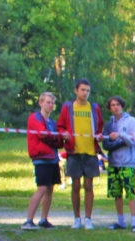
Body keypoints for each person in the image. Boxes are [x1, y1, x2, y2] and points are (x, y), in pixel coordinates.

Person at [57, 78, 104, 230]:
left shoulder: (94, 108)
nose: (85, 93)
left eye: (88, 90)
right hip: (73, 151)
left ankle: (88, 219)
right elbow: (60, 126)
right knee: (75, 185)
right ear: (76, 91)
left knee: (89, 185)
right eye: (82, 90)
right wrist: (64, 133)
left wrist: (99, 135)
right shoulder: (68, 107)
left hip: (90, 152)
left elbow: (100, 126)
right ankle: (77, 218)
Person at [23, 92, 65, 230]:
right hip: (41, 157)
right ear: (41, 103)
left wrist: (60, 137)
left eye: (52, 103)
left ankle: (43, 219)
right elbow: (43, 135)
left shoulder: (53, 122)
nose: (50, 105)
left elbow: (59, 142)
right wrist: (57, 137)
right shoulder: (35, 118)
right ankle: (29, 220)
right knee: (41, 188)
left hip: (52, 158)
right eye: (48, 102)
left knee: (50, 189)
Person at [102, 96, 135, 233]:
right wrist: (120, 140)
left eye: (118, 104)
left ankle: (134, 221)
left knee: (130, 192)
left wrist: (120, 135)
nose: (115, 107)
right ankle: (121, 220)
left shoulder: (131, 121)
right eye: (112, 105)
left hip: (128, 162)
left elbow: (134, 140)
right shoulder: (109, 124)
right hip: (113, 163)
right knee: (116, 193)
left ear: (122, 106)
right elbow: (106, 144)